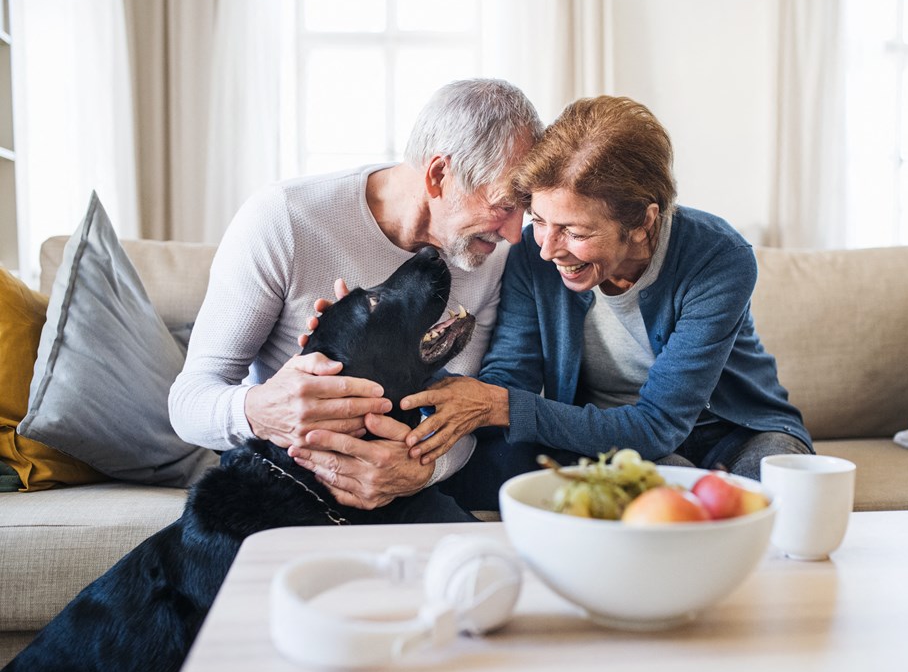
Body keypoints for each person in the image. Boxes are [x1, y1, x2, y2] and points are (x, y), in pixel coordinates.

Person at [395, 95, 814, 510]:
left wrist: (500, 405)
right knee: (653, 503)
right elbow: (510, 378)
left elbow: (658, 425)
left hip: (741, 431)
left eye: (575, 232)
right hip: (608, 440)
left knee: (770, 501)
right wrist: (411, 379)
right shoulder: (530, 254)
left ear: (642, 222)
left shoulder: (718, 257)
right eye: (540, 221)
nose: (548, 250)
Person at [168, 79, 543, 522]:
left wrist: (420, 471)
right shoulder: (285, 218)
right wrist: (262, 409)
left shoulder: (491, 256)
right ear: (439, 175)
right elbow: (188, 403)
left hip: (401, 482)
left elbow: (457, 414)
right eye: (503, 206)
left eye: (526, 207)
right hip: (282, 478)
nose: (516, 234)